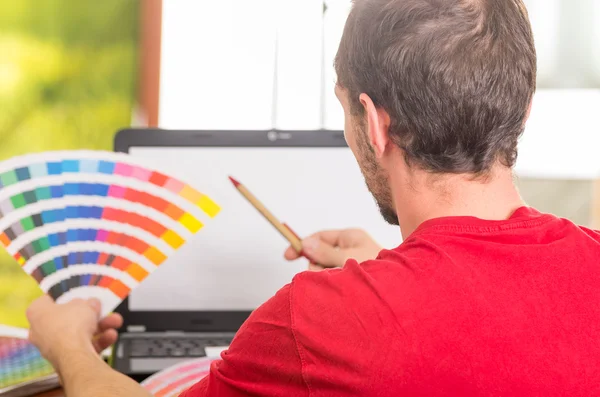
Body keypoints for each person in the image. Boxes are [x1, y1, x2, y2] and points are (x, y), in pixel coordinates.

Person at [26, 0, 600, 395]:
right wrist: (386, 268)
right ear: (523, 109)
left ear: (374, 123)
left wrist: (69, 345)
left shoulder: (319, 323)